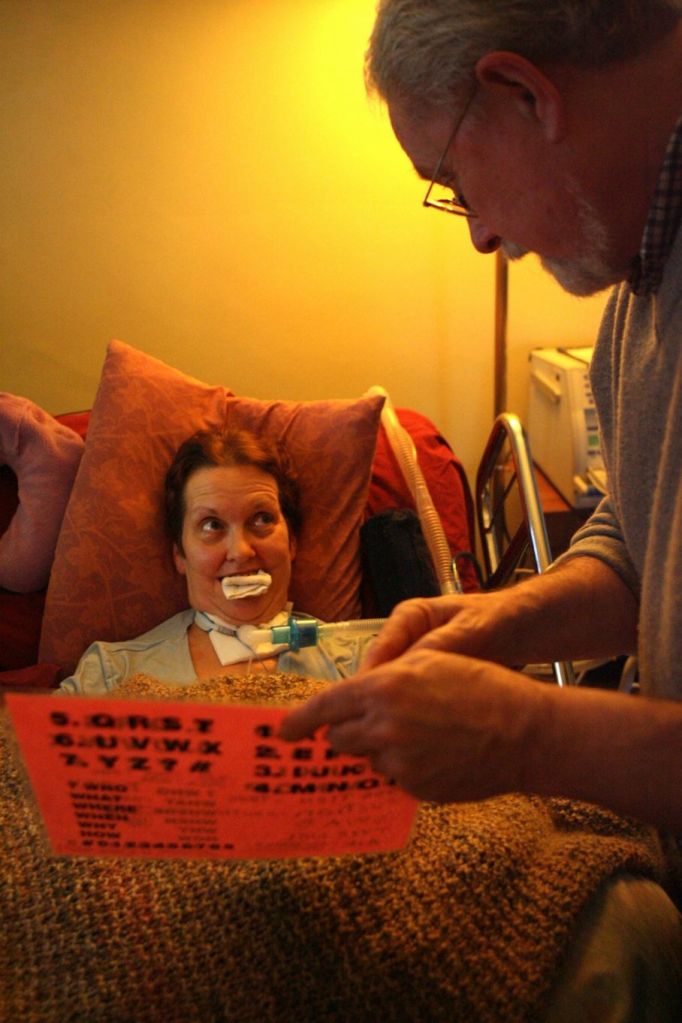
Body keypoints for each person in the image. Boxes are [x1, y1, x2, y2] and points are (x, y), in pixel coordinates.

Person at [280, 3, 682, 842]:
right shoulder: (639, 294)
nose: (481, 234)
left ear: (525, 95)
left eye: (456, 185)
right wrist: (496, 623)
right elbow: (641, 539)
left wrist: (526, 734)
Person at [59, 428, 374, 694]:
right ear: (180, 555)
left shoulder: (363, 661)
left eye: (262, 519)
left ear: (291, 543)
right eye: (211, 525)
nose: (240, 551)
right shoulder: (111, 674)